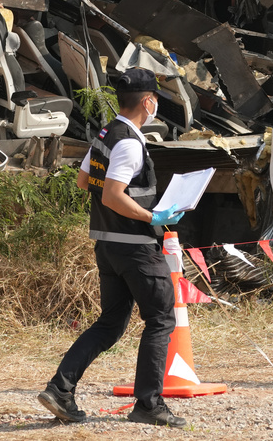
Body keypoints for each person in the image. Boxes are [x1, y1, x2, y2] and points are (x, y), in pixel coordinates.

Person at [37, 68, 187, 427]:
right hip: (135, 247)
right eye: (155, 101)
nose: (156, 107)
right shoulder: (130, 143)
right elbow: (111, 194)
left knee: (110, 324)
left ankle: (60, 388)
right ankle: (149, 405)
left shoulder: (106, 133)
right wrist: (151, 216)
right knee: (161, 319)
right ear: (148, 102)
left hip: (107, 245)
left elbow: (82, 179)